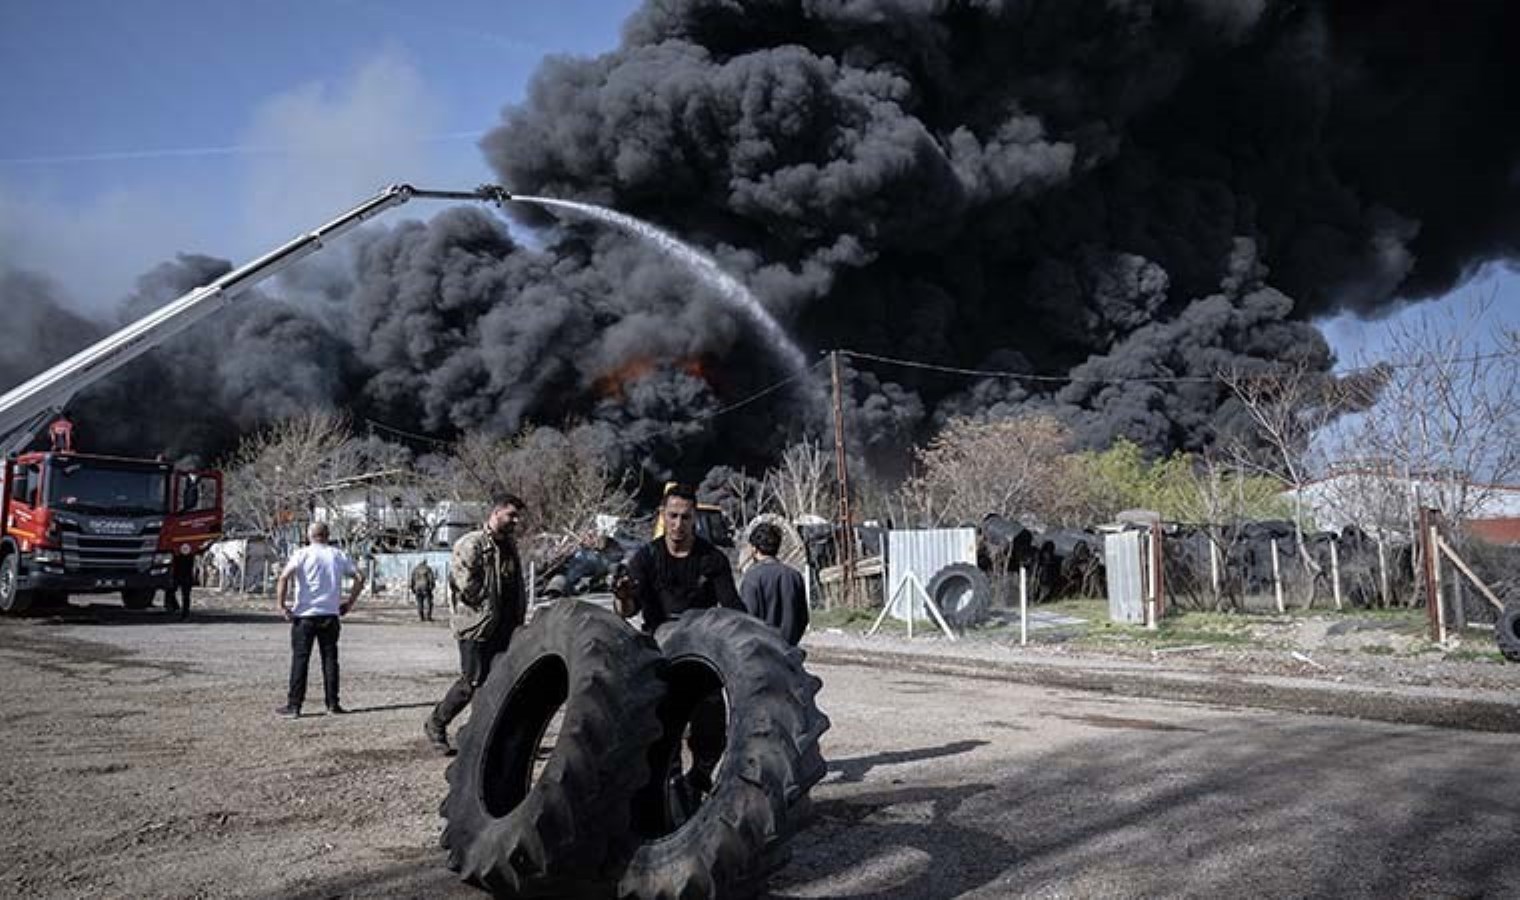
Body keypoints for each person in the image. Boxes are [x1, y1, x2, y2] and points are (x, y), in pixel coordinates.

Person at [614, 483, 741, 801]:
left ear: (694, 518)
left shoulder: (712, 559)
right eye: (673, 516)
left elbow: (733, 607)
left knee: (711, 734)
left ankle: (697, 780)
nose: (678, 524)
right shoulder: (645, 558)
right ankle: (662, 789)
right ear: (662, 516)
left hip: (702, 654)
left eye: (685, 517)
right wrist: (623, 595)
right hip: (660, 655)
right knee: (658, 731)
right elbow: (628, 609)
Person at [424, 495, 527, 755]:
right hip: (477, 626)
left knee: (498, 683)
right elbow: (465, 584)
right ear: (496, 512)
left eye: (517, 516)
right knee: (471, 682)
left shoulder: (510, 546)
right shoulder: (471, 544)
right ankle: (436, 723)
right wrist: (484, 603)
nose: (515, 521)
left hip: (506, 625)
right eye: (511, 515)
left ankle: (481, 737)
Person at [274, 522, 364, 719]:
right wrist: (349, 603)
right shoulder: (337, 554)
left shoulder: (301, 554)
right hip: (330, 614)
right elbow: (359, 576)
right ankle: (333, 703)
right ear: (327, 535)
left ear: (309, 535)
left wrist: (282, 605)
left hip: (305, 614)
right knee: (330, 660)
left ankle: (294, 705)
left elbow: (283, 577)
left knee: (300, 660)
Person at [739, 522, 809, 645]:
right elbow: (803, 618)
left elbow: (747, 620)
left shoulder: (752, 578)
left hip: (762, 652)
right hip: (788, 652)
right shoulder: (794, 576)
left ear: (754, 549)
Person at [163, 551, 195, 621]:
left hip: (182, 572)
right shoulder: (189, 548)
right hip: (182, 572)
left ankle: (183, 613)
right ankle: (182, 612)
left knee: (182, 593)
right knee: (182, 593)